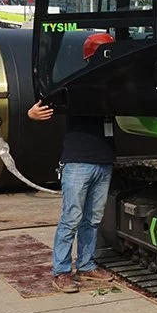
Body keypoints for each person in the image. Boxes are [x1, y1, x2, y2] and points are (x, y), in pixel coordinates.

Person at [28, 31, 117, 293]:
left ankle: (87, 266)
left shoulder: (116, 86)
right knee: (72, 218)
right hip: (78, 161)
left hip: (103, 160)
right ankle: (62, 271)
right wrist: (32, 113)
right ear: (93, 56)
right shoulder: (76, 83)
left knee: (92, 219)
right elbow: (41, 104)